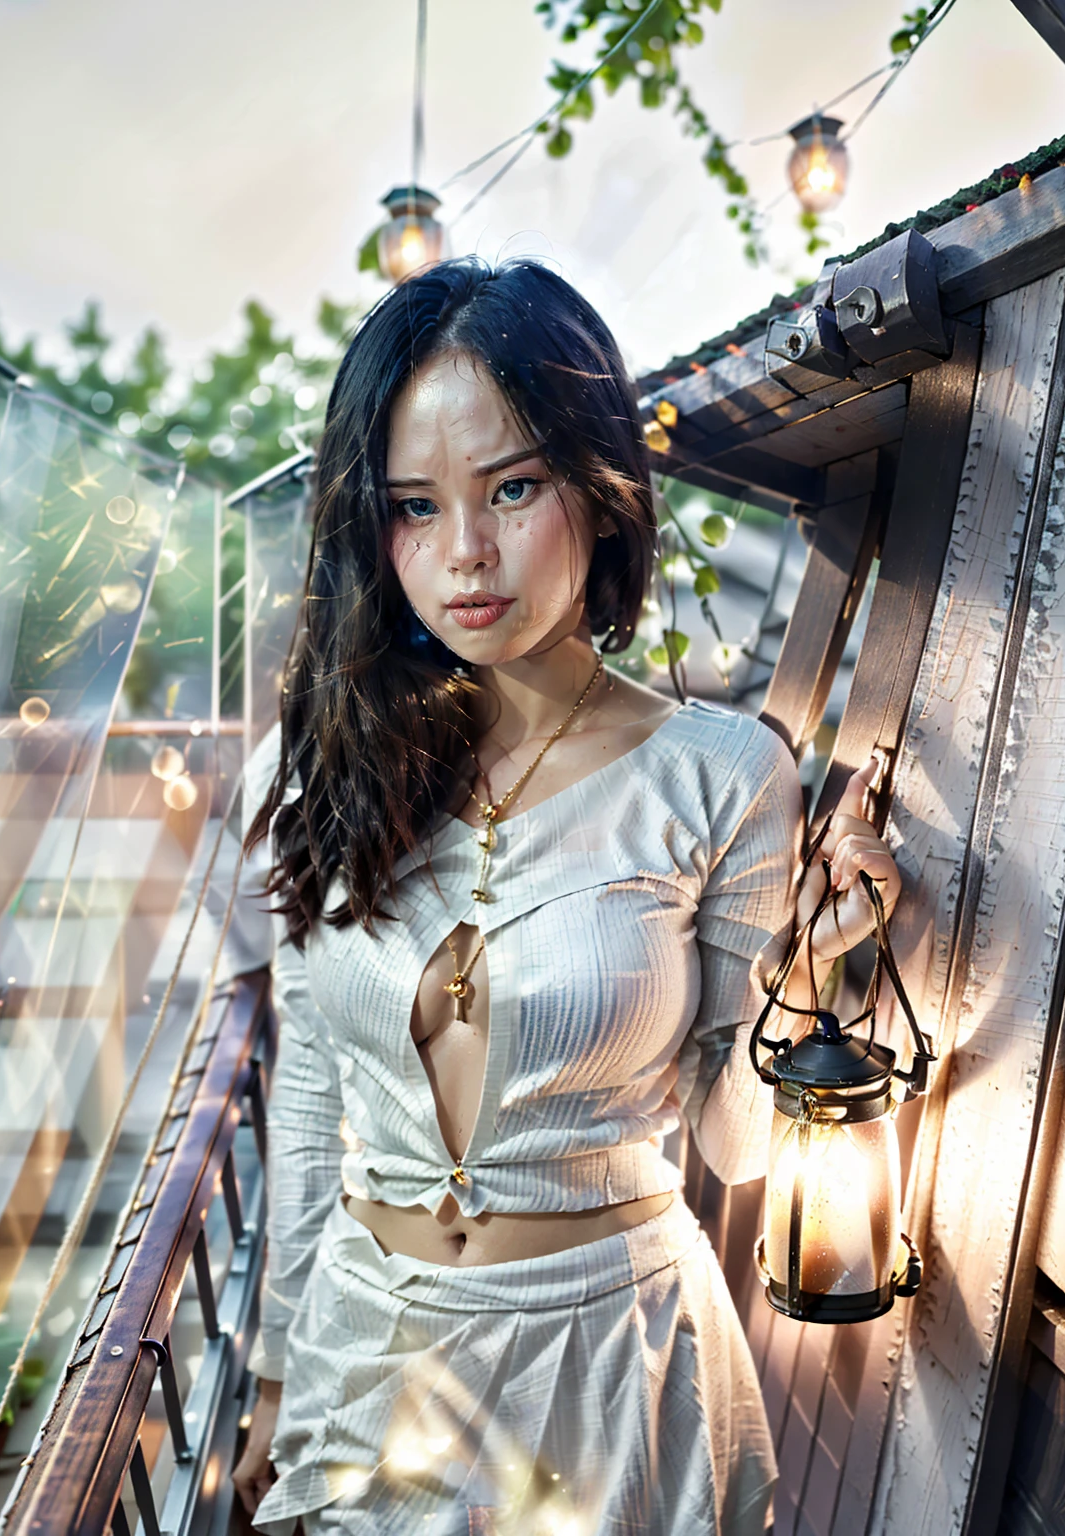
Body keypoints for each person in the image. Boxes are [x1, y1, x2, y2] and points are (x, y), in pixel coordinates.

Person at [225, 258, 900, 1536]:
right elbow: (311, 1094)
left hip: (609, 1373)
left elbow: (737, 1146)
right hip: (366, 1367)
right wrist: (269, 1372)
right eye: (414, 507)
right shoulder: (321, 768)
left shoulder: (722, 775)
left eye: (513, 488)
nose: (464, 556)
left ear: (599, 489)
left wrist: (810, 979)